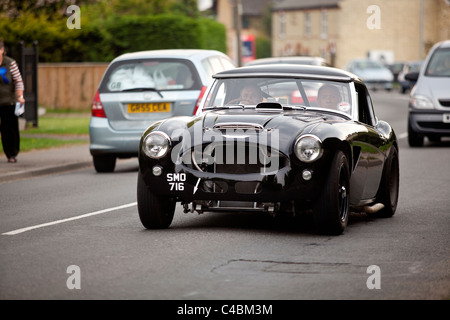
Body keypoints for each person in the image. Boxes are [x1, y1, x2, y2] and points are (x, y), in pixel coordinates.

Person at [0, 38, 25, 163]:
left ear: (2, 50)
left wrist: (19, 96)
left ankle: (11, 154)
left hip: (9, 102)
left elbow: (18, 81)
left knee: (9, 129)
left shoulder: (10, 63)